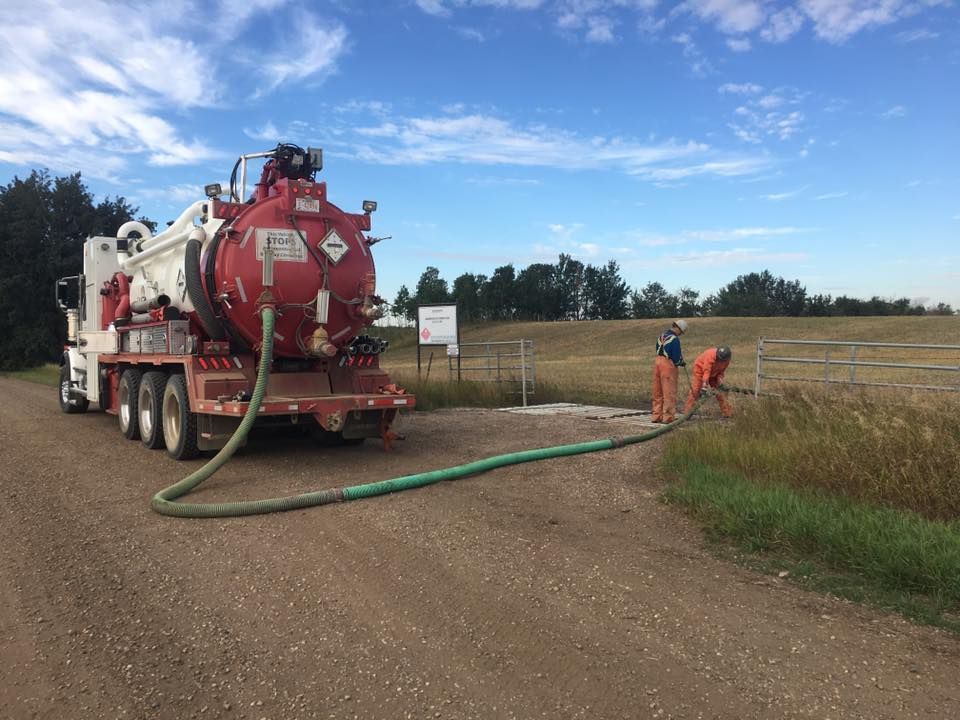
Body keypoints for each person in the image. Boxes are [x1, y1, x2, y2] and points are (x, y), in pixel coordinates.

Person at [651, 320, 688, 423]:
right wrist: (681, 362)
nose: (680, 334)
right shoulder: (674, 339)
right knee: (669, 392)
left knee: (657, 392)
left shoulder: (661, 336)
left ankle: (656, 416)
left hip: (657, 363)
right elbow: (676, 357)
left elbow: (658, 349)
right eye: (681, 332)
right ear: (679, 328)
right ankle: (668, 417)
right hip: (667, 366)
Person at [683, 346, 733, 417]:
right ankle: (687, 413)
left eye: (721, 360)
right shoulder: (710, 356)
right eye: (718, 359)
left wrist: (720, 380)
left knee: (720, 392)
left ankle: (727, 413)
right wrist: (704, 386)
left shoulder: (726, 361)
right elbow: (706, 371)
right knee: (695, 390)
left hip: (715, 373)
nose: (719, 361)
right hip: (700, 371)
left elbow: (721, 372)